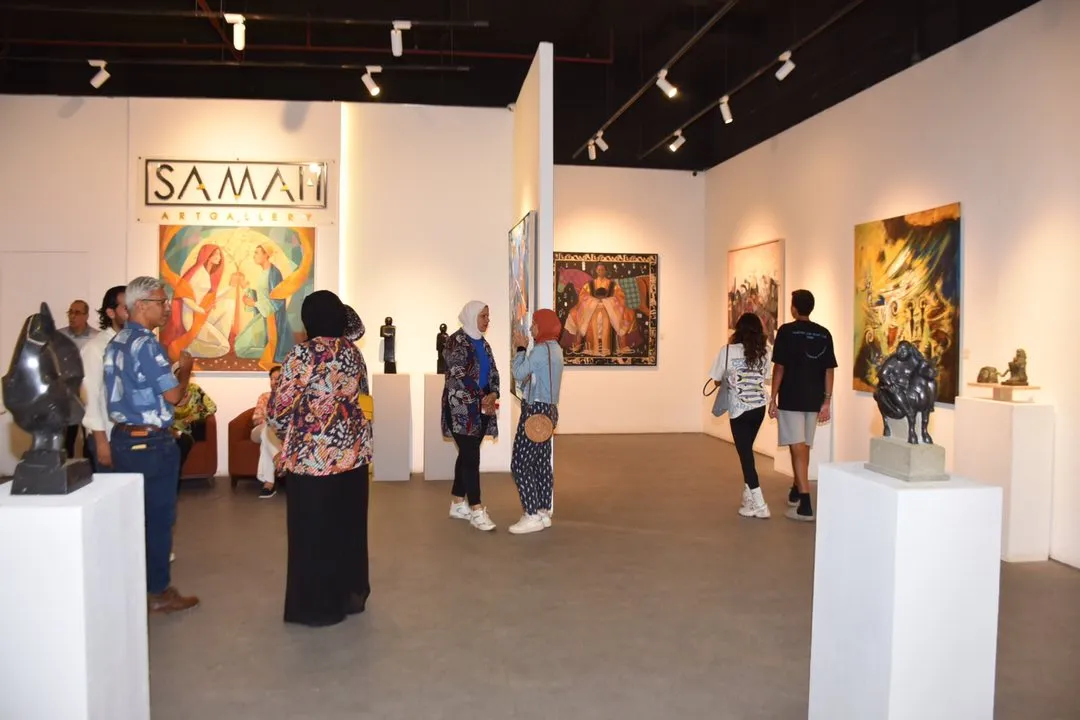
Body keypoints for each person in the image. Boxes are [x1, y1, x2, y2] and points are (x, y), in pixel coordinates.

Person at [268, 290, 371, 627]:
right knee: (347, 530)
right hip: (352, 456)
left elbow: (279, 409)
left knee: (313, 533)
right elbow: (362, 398)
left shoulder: (302, 354)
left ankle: (317, 606)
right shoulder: (353, 352)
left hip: (313, 459)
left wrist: (289, 435)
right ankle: (349, 596)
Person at [104, 276, 199, 614]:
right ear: (141, 305)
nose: (167, 308)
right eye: (161, 302)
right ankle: (158, 591)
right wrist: (185, 370)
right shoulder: (147, 344)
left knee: (132, 519)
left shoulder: (116, 341)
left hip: (123, 438)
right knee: (158, 520)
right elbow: (173, 396)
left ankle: (131, 586)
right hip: (151, 444)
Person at [768, 289, 837, 523]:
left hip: (791, 397)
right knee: (802, 445)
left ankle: (805, 503)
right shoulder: (823, 334)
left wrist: (773, 397)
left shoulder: (786, 332)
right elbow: (829, 370)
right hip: (813, 399)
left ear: (794, 308)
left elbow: (779, 367)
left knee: (797, 446)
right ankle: (797, 488)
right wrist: (826, 400)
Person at [441, 301, 500, 532]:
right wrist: (481, 395)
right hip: (461, 410)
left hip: (482, 407)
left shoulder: (483, 343)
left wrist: (493, 393)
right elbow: (458, 374)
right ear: (471, 316)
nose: (487, 320)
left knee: (467, 454)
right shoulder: (455, 341)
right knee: (471, 457)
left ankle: (457, 503)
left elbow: (493, 371)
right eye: (483, 316)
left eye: (488, 316)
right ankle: (476, 509)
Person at [508, 309, 564, 535]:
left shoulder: (541, 350)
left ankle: (531, 514)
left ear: (544, 326)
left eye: (534, 323)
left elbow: (519, 373)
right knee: (541, 463)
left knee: (520, 463)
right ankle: (542, 511)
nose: (531, 328)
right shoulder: (556, 349)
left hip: (535, 412)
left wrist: (521, 349)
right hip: (549, 410)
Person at [710, 312, 772, 519]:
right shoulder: (766, 351)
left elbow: (716, 379)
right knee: (746, 452)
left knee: (746, 457)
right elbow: (766, 377)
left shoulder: (727, 351)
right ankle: (749, 498)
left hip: (739, 410)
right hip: (759, 408)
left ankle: (760, 505)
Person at [80, 286, 128, 473]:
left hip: (133, 438)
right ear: (110, 313)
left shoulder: (136, 344)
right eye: (126, 308)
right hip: (107, 437)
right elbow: (89, 397)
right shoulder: (95, 348)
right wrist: (101, 441)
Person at [60, 299, 100, 460]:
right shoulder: (59, 337)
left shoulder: (96, 337)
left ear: (86, 315)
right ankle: (64, 469)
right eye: (70, 312)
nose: (72, 316)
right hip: (67, 394)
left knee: (90, 437)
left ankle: (90, 469)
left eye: (77, 313)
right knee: (66, 439)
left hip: (88, 393)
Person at [171, 366, 217, 486]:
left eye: (186, 375)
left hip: (187, 430)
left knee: (183, 442)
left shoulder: (195, 390)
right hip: (169, 430)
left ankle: (174, 480)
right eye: (179, 376)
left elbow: (212, 407)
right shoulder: (168, 392)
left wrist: (194, 417)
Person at [252, 365, 284, 499]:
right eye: (272, 379)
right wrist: (270, 422)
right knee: (266, 429)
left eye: (277, 379)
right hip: (259, 431)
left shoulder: (291, 399)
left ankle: (269, 484)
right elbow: (256, 419)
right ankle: (279, 458)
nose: (274, 382)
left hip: (278, 433)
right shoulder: (264, 397)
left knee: (266, 442)